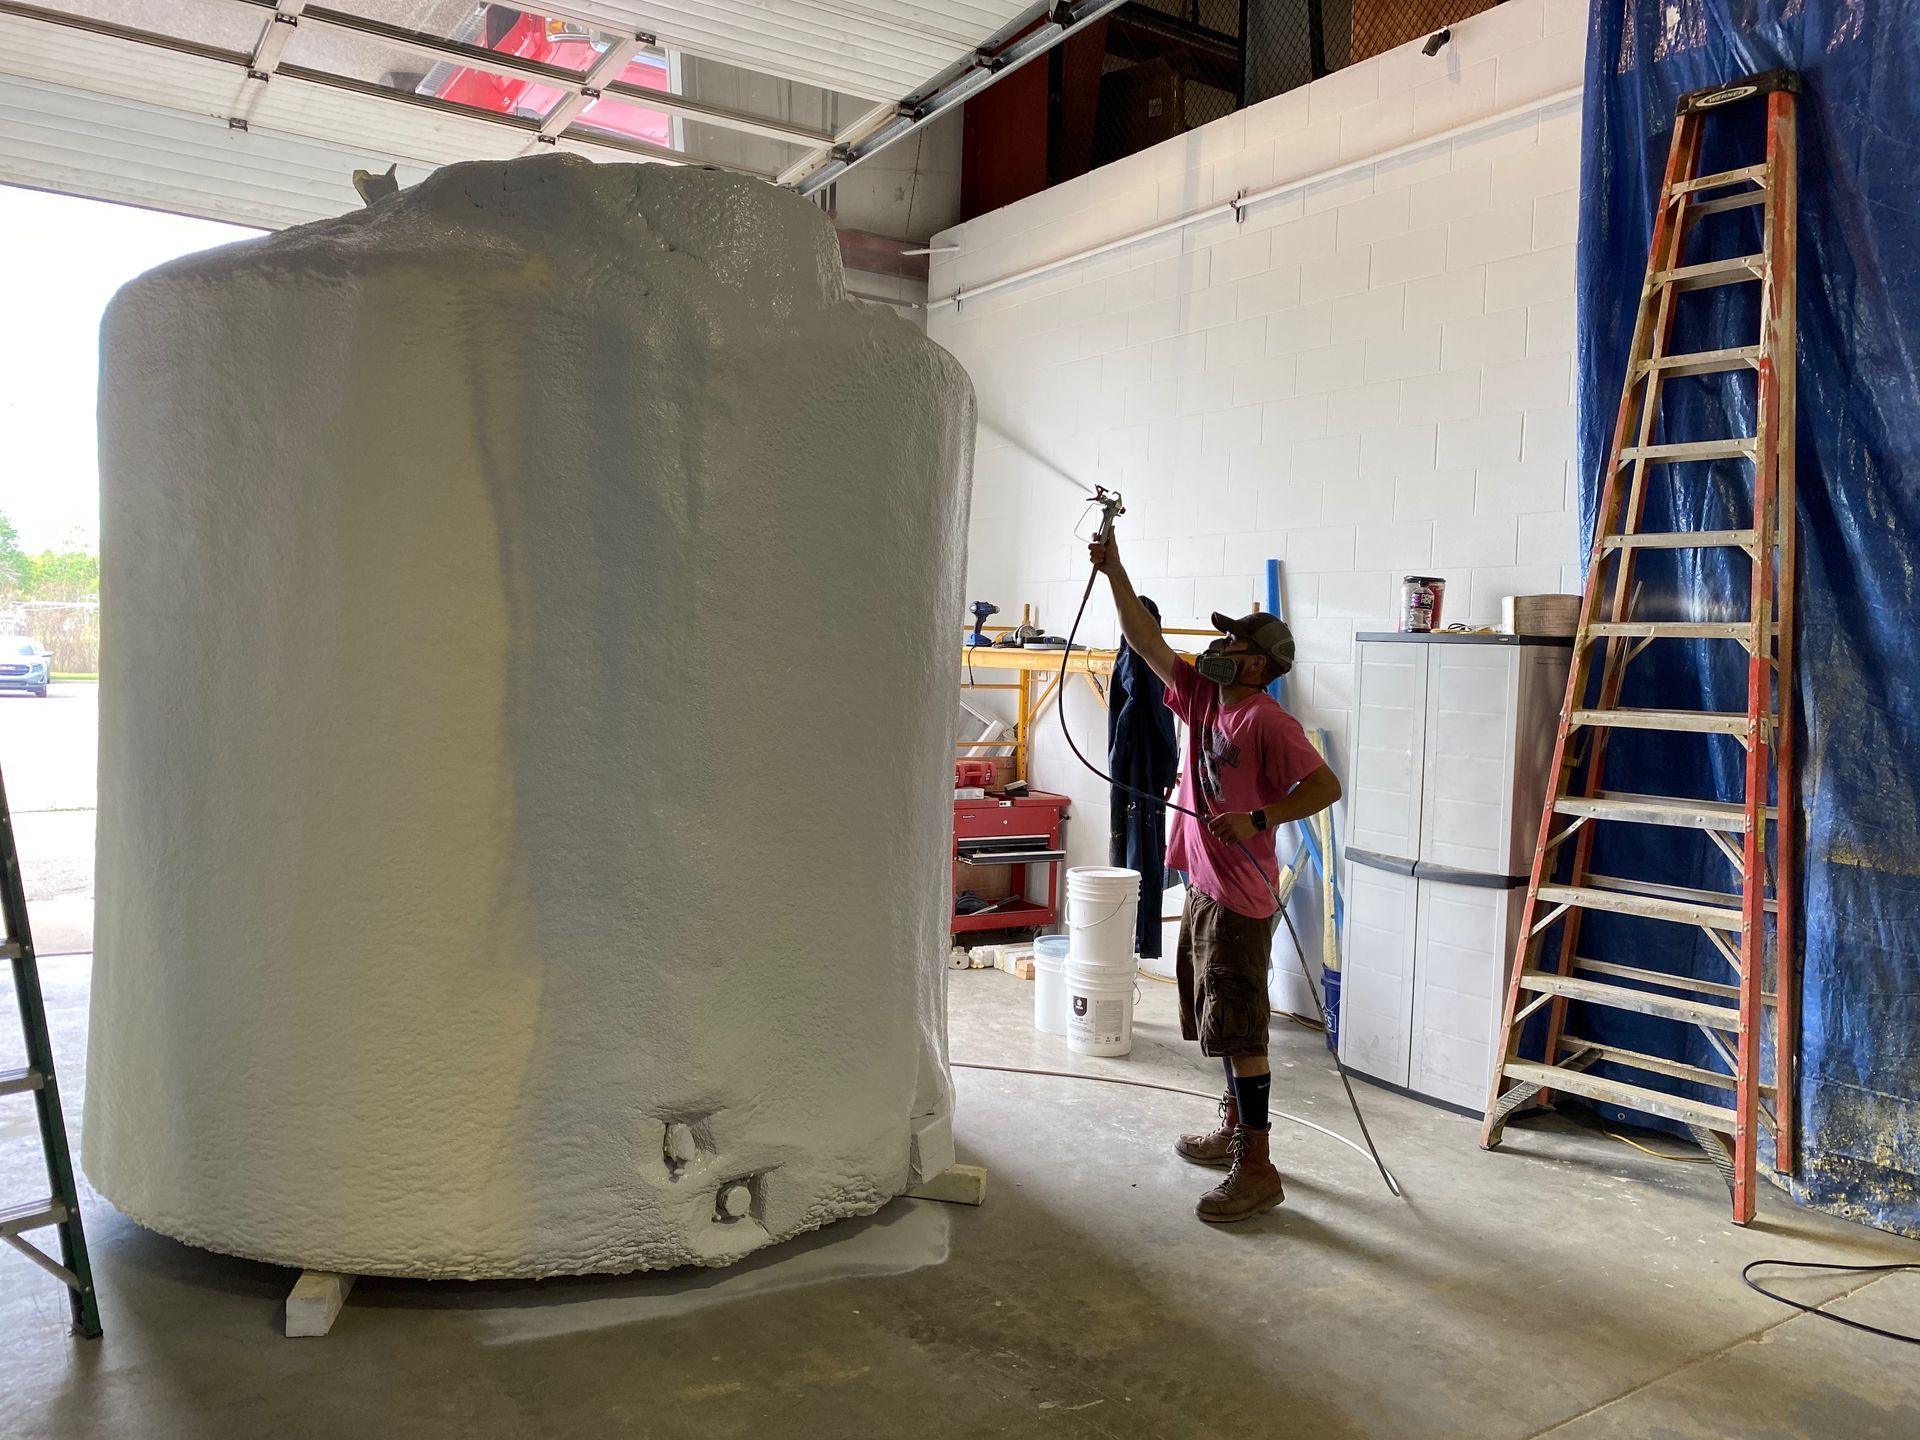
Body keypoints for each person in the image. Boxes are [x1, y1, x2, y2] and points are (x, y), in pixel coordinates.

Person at [1089, 532, 1342, 1222]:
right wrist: (1115, 570)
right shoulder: (1204, 699)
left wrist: (1260, 818)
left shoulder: (1267, 717)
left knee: (1242, 1029)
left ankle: (1258, 1166)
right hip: (1204, 886)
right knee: (1216, 1021)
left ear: (1261, 663)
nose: (1220, 647)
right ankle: (1235, 1127)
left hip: (1241, 896)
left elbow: (1325, 787)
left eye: (1235, 643)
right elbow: (1145, 641)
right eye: (1222, 640)